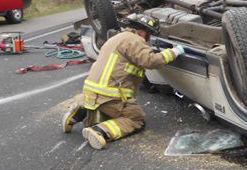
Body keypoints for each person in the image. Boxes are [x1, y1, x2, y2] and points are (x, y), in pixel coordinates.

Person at [62, 13, 184, 150]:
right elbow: (150, 61)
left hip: (91, 92)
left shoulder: (117, 38)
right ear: (143, 32)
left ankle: (79, 111)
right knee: (136, 119)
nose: (148, 39)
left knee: (103, 111)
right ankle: (100, 131)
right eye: (149, 34)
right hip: (111, 97)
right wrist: (174, 52)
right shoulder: (134, 40)